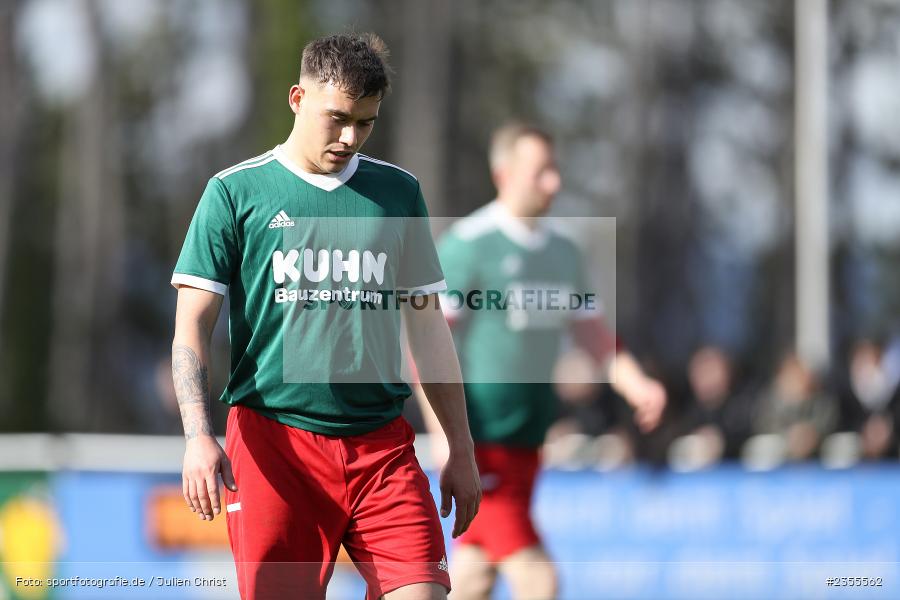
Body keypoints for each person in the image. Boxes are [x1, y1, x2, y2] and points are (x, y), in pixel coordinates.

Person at [170, 33, 480, 600]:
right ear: (297, 98)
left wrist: (460, 445)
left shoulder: (397, 193)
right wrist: (197, 435)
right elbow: (192, 324)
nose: (349, 137)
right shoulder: (234, 192)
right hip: (274, 447)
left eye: (365, 123)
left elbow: (427, 328)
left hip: (381, 450)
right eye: (337, 118)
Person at [420, 123, 666, 600]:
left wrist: (637, 384)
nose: (554, 182)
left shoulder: (564, 251)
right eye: (541, 172)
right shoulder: (469, 245)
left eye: (555, 170)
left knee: (474, 576)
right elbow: (424, 348)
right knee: (539, 580)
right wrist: (446, 436)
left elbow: (593, 336)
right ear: (504, 174)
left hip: (527, 445)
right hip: (480, 445)